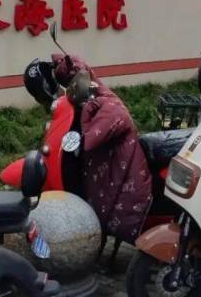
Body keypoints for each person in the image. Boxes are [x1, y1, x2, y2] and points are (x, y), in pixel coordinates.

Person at [52, 53, 152, 245]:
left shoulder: (110, 106)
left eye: (72, 85)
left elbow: (89, 141)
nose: (71, 92)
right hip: (109, 179)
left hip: (126, 188)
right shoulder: (93, 101)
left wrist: (87, 110)